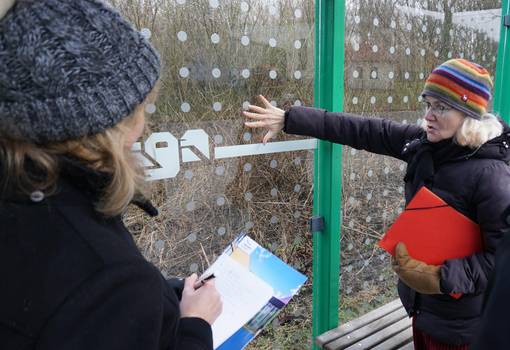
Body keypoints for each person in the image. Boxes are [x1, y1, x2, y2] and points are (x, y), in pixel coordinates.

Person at [243, 58, 510, 349]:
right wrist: (290, 118)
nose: (429, 116)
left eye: (441, 107)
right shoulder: (423, 143)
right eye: (428, 104)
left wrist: (440, 278)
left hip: (463, 328)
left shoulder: (492, 175)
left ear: (468, 114)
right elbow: (365, 130)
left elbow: (501, 260)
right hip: (423, 312)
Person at [0, 1, 221, 349]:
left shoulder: (25, 203)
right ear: (110, 125)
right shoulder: (109, 281)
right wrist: (195, 324)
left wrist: (161, 296)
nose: (144, 124)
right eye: (140, 108)